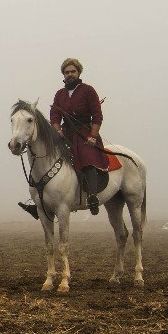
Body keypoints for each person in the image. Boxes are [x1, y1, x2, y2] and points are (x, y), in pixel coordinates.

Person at [19, 58, 109, 219]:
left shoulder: (88, 90)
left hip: (85, 133)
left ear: (79, 72)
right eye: (67, 72)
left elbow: (97, 115)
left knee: (86, 157)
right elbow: (54, 115)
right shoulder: (59, 94)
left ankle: (93, 197)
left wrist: (93, 136)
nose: (70, 75)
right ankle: (39, 201)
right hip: (65, 133)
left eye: (73, 71)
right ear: (63, 74)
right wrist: (57, 130)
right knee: (46, 157)